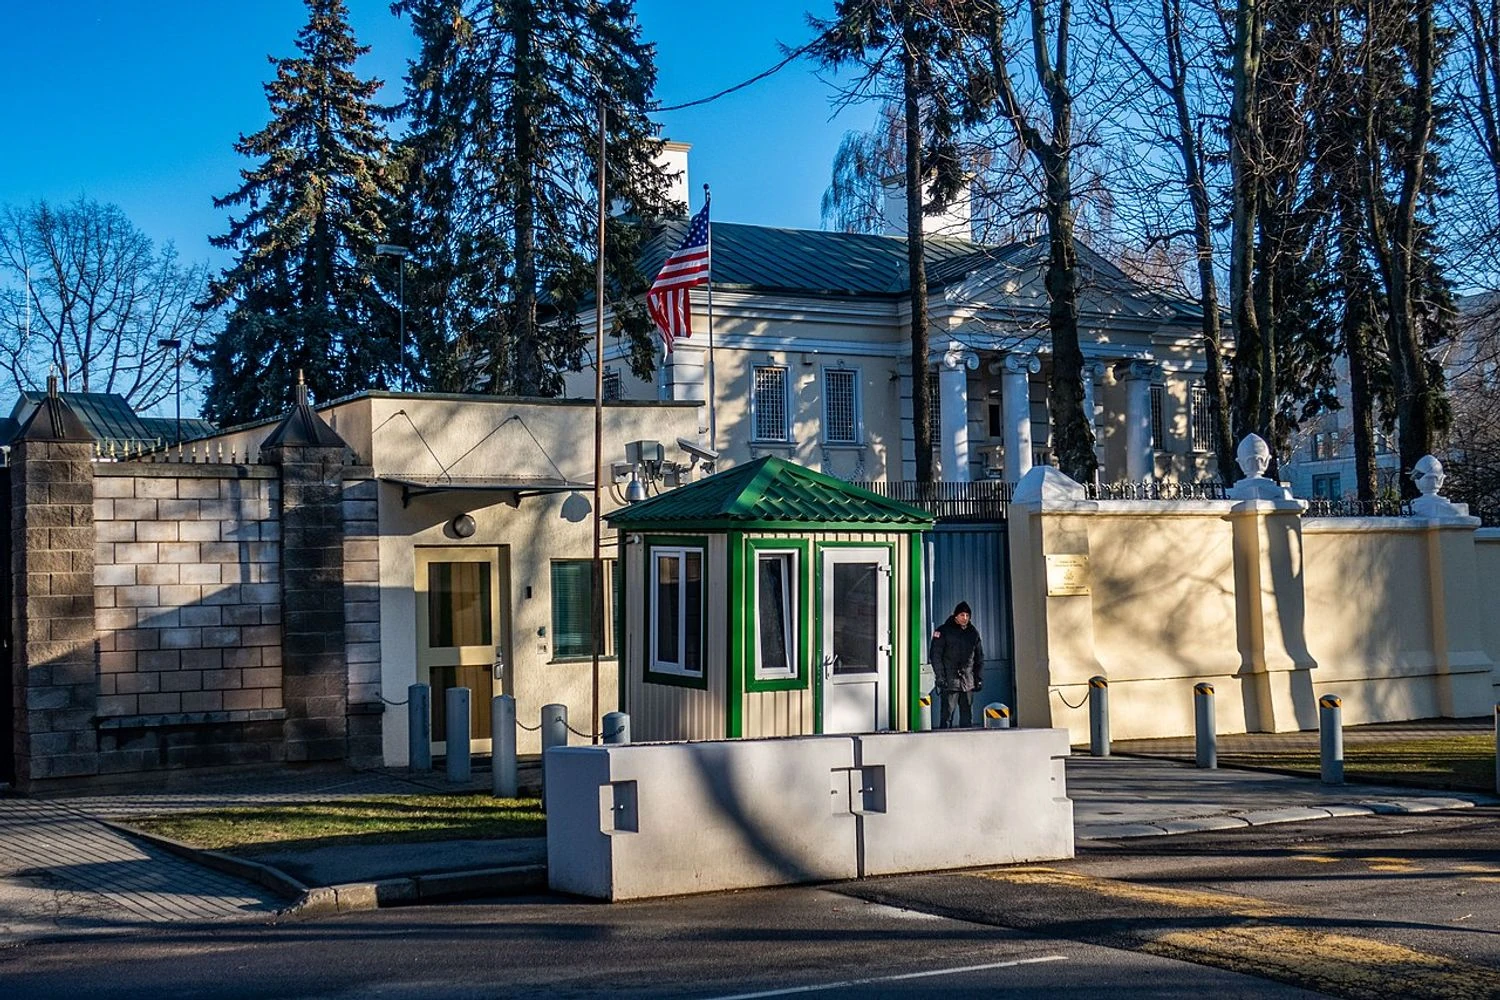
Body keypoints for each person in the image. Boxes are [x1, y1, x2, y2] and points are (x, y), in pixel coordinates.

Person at [930, 601, 983, 728]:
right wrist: (940, 677)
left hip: (967, 682)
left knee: (967, 717)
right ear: (955, 616)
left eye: (967, 615)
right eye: (962, 615)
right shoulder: (943, 631)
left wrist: (978, 679)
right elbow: (935, 656)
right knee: (947, 715)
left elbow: (979, 658)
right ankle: (944, 742)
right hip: (950, 681)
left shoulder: (973, 633)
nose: (965, 618)